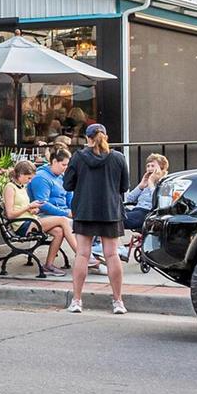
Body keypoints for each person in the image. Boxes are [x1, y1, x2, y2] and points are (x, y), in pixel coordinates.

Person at [63, 124, 131, 314]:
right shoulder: (118, 158)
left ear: (88, 138)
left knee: (82, 254)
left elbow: (68, 185)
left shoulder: (78, 157)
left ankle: (77, 301)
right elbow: (124, 187)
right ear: (106, 137)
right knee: (112, 254)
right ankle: (118, 301)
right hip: (110, 210)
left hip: (85, 209)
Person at [2, 159, 71, 276]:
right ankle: (81, 254)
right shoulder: (10, 187)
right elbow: (10, 214)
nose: (30, 181)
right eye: (28, 178)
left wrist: (33, 209)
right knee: (63, 220)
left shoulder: (22, 187)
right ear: (20, 174)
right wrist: (28, 206)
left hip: (31, 220)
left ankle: (48, 265)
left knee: (59, 232)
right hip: (22, 225)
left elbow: (24, 207)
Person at [121, 153, 170, 253]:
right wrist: (141, 185)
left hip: (148, 213)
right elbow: (130, 198)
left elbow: (159, 201)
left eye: (153, 166)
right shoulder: (146, 183)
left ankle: (118, 248)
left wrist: (152, 183)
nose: (149, 168)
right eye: (148, 166)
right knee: (112, 210)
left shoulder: (166, 184)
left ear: (162, 169)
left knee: (117, 219)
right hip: (136, 210)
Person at [28, 148, 74, 221]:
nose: (66, 168)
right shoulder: (41, 177)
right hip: (45, 215)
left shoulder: (63, 176)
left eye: (67, 165)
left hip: (64, 213)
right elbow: (42, 204)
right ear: (54, 161)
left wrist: (76, 211)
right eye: (64, 165)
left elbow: (70, 198)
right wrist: (66, 213)